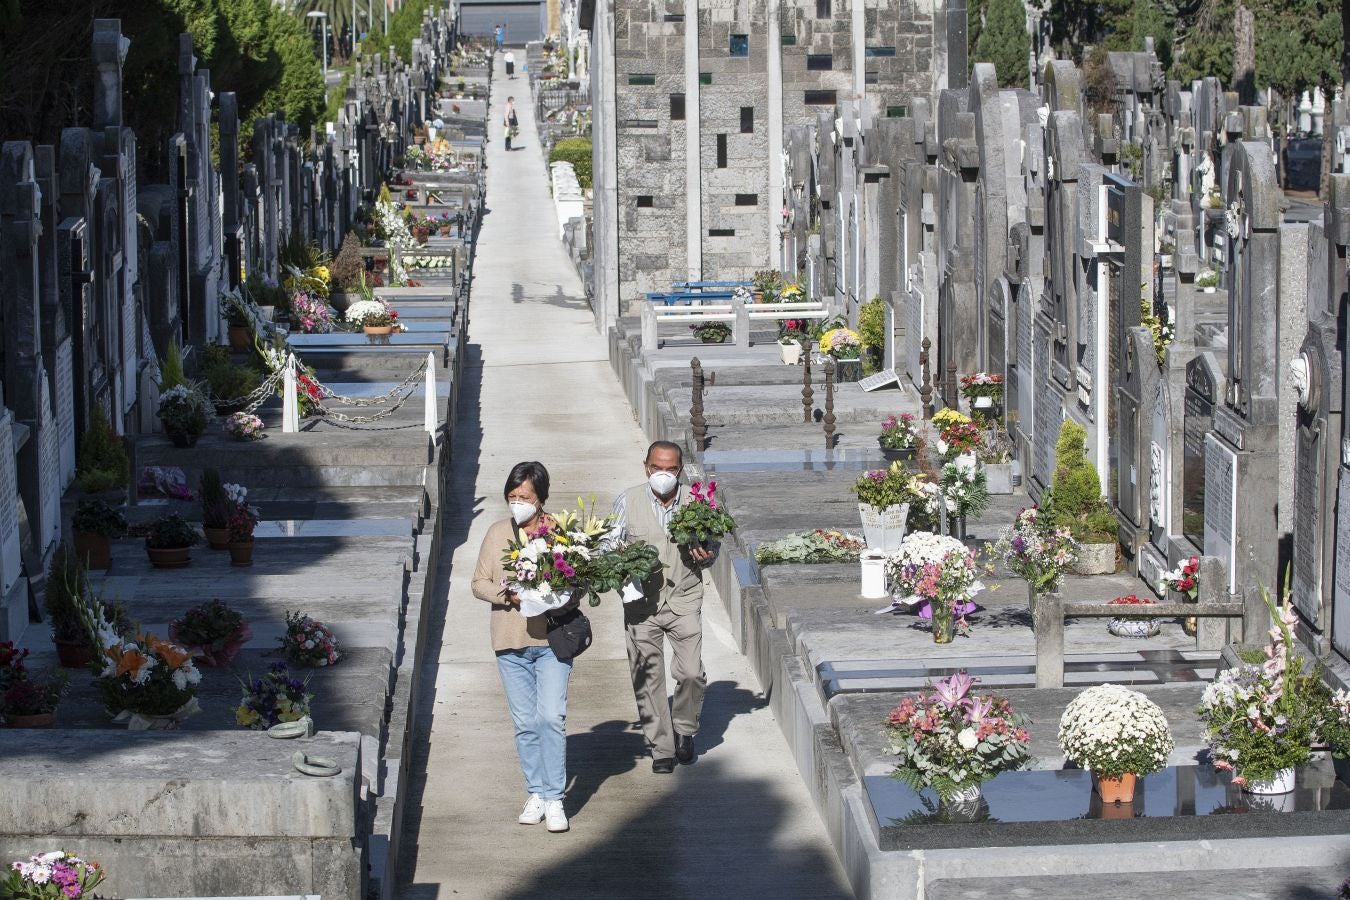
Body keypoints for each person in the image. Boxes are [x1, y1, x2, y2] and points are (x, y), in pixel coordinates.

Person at [471, 461, 571, 833]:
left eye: (524, 497)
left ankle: (556, 797)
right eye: (512, 497)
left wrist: (553, 592)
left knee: (551, 718)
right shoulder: (498, 533)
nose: (517, 504)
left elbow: (578, 580)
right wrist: (507, 594)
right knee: (525, 723)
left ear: (540, 498)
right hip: (509, 642)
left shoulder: (561, 532)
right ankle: (538, 792)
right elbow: (478, 581)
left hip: (551, 640)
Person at [608, 441, 715, 773]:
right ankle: (662, 749)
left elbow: (714, 546)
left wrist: (708, 554)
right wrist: (621, 560)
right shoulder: (628, 501)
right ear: (646, 467)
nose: (663, 474)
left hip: (684, 598)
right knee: (648, 677)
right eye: (657, 468)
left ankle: (684, 728)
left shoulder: (699, 502)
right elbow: (608, 543)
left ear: (680, 470)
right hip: (642, 603)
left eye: (670, 469)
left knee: (692, 674)